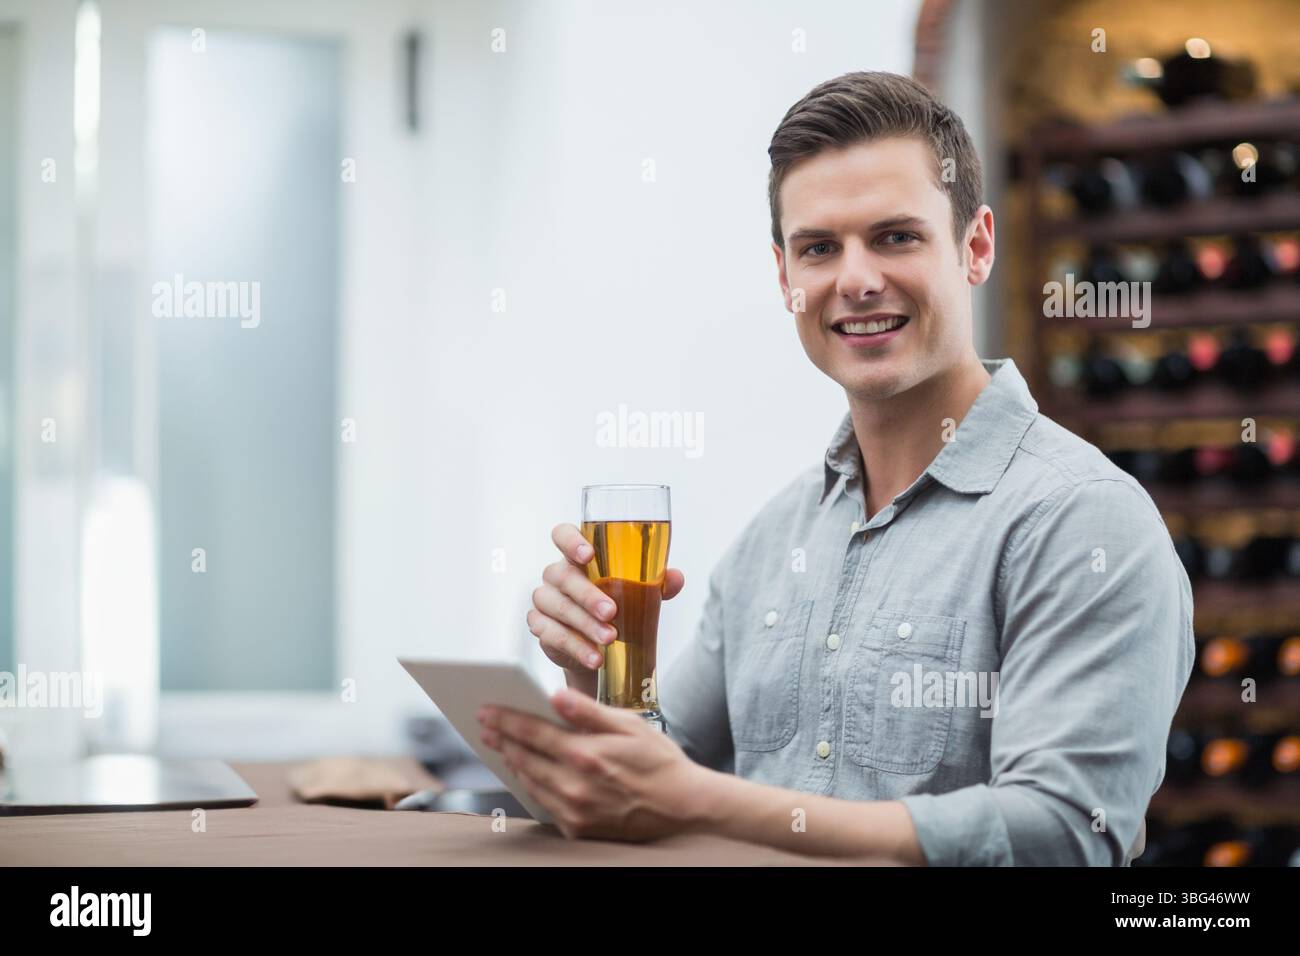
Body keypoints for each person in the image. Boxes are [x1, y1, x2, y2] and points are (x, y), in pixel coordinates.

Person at [476, 70, 1195, 865]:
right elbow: (658, 780)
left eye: (896, 236)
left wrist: (697, 798)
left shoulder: (1084, 521)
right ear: (787, 279)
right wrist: (590, 677)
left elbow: (1061, 835)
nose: (855, 279)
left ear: (976, 247)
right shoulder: (773, 538)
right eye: (820, 248)